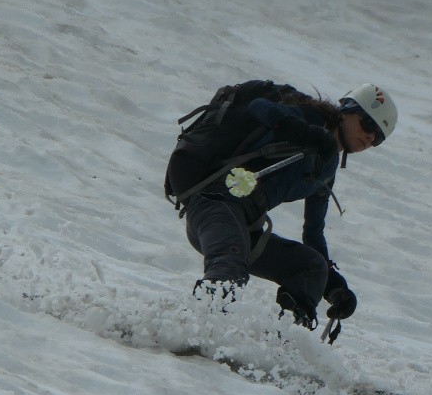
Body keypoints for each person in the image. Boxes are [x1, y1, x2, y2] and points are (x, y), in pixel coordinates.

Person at [165, 82, 397, 341]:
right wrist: (307, 133)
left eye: (378, 138)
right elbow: (259, 107)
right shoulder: (310, 117)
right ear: (347, 111)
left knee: (311, 267)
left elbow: (313, 234)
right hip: (212, 202)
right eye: (368, 125)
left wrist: (334, 287)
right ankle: (189, 331)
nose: (370, 138)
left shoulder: (325, 168)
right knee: (231, 262)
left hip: (242, 225)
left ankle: (278, 346)